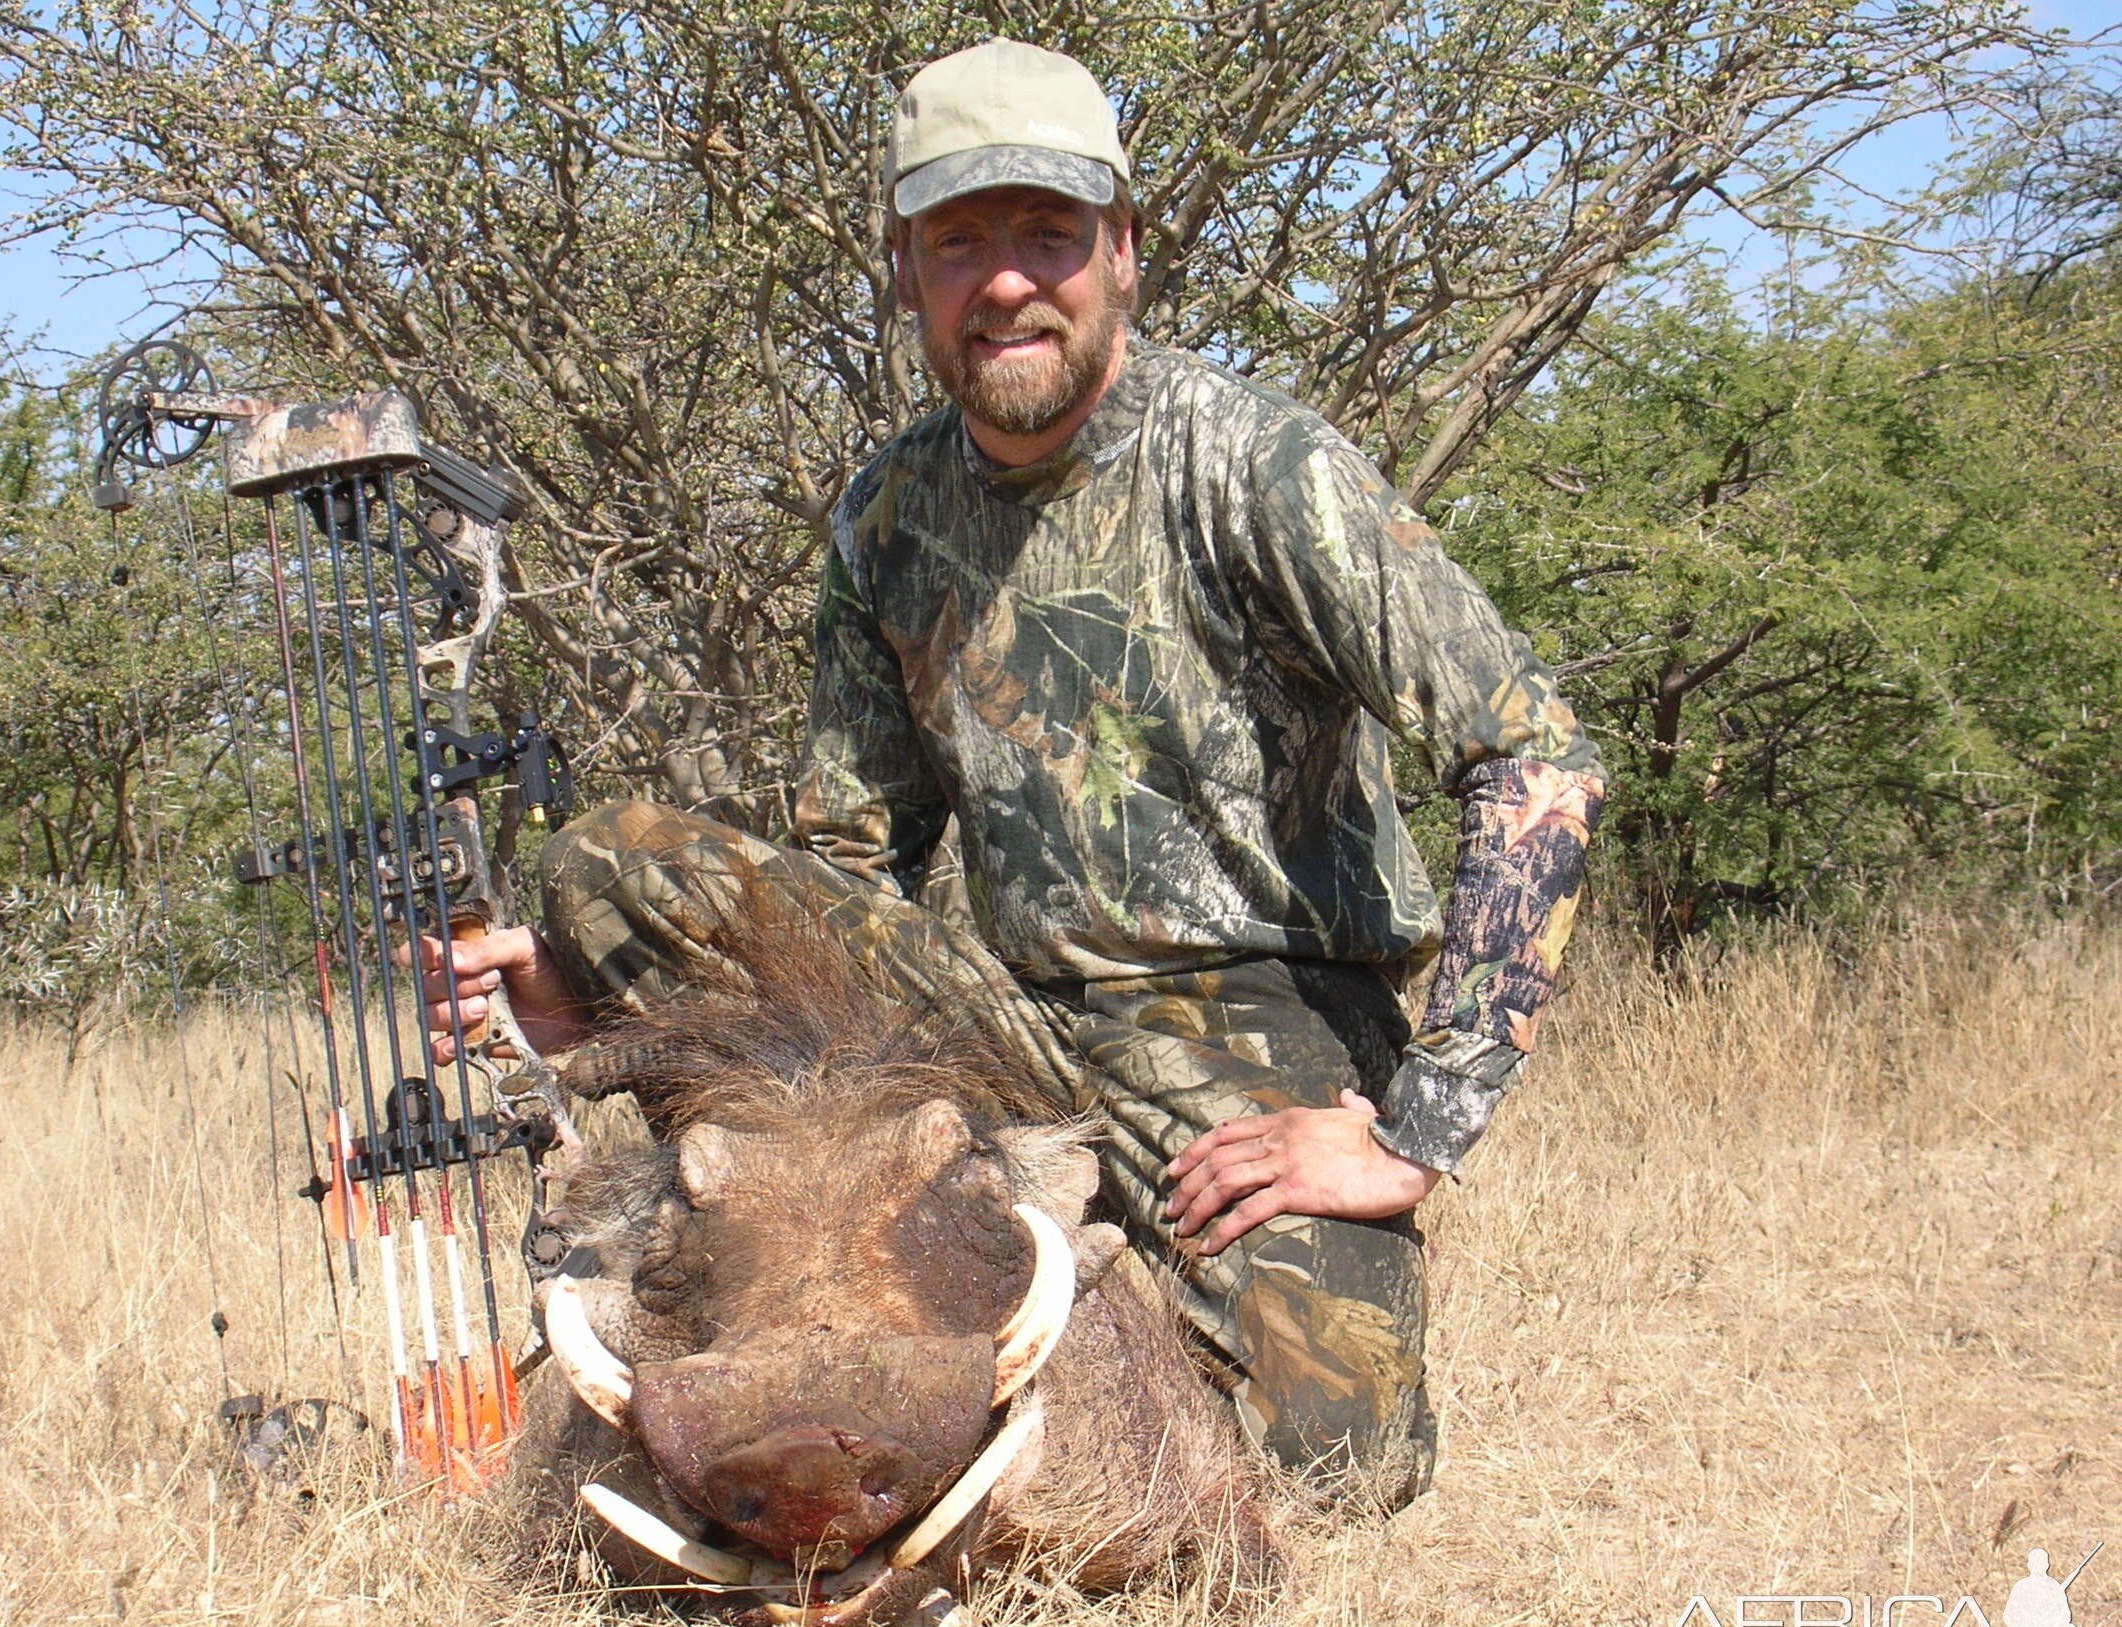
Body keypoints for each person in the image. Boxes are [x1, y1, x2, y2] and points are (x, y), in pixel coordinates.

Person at [422, 37, 1606, 1505]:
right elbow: (844, 878)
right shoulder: (886, 513)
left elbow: (1535, 755)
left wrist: (1417, 1128)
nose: (1005, 282)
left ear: (1120, 251)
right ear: (906, 274)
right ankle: (783, 1309)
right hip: (992, 1014)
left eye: (1047, 233)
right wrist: (601, 1005)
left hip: (1259, 1024)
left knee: (1341, 1464)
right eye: (958, 241)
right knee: (608, 859)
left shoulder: (1256, 464)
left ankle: (1072, 1350)